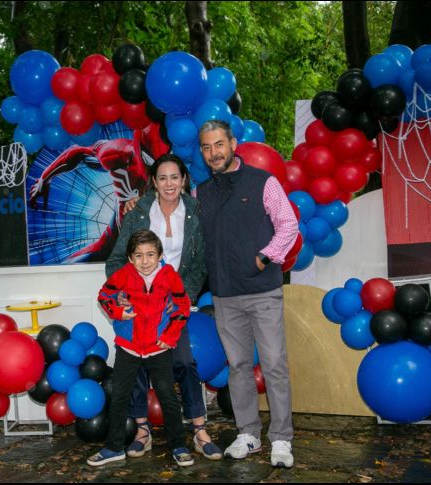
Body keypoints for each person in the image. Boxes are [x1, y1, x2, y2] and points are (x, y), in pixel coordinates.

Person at [196, 119, 298, 468]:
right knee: (238, 366)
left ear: (233, 143)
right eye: (207, 147)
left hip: (262, 291)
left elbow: (288, 224)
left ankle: (281, 439)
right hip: (225, 295)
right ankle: (248, 434)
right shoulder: (201, 192)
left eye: (219, 145)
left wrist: (265, 257)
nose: (214, 153)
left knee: (274, 366)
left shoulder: (262, 182)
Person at [105, 154, 221, 460]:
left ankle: (198, 429)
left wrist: (183, 295)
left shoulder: (197, 211)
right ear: (154, 182)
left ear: (184, 180)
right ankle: (142, 431)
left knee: (184, 361)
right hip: (139, 303)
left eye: (175, 177)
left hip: (172, 305)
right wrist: (122, 295)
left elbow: (199, 264)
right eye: (162, 178)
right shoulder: (138, 212)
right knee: (137, 366)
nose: (169, 184)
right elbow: (117, 259)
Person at [88, 229, 194, 467]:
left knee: (167, 397)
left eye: (150, 255)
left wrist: (170, 336)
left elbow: (182, 305)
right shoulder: (123, 274)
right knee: (119, 397)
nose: (144, 261)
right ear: (129, 258)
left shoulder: (169, 275)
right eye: (138, 255)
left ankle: (178, 445)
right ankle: (114, 448)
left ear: (159, 256)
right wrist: (117, 312)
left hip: (158, 349)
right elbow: (104, 295)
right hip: (129, 348)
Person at [28, 124, 169, 262]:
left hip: (154, 250)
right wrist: (45, 178)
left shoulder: (175, 176)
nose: (156, 171)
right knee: (70, 268)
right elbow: (80, 153)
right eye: (151, 161)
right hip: (114, 246)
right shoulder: (120, 153)